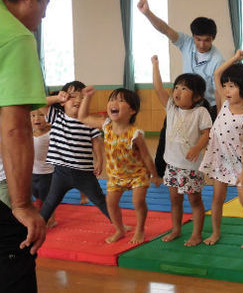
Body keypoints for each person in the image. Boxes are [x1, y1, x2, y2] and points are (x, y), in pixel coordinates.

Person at [0, 0, 51, 291]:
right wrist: (21, 205)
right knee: (17, 251)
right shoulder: (16, 36)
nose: (44, 14)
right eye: (46, 3)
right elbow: (15, 125)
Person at [137, 0, 224, 179]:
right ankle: (160, 172)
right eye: (198, 39)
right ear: (193, 37)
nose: (201, 44)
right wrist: (147, 13)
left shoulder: (217, 59)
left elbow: (218, 91)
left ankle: (220, 174)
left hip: (205, 105)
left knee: (214, 139)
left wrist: (221, 115)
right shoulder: (186, 43)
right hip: (184, 101)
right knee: (167, 131)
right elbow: (165, 29)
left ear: (213, 39)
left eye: (207, 41)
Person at [78, 86, 161, 244]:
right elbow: (82, 117)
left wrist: (154, 175)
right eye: (112, 99)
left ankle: (140, 229)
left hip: (137, 174)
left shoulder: (135, 134)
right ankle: (119, 229)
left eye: (121, 100)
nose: (114, 103)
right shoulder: (106, 126)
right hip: (116, 176)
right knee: (110, 203)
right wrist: (87, 97)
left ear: (132, 111)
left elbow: (146, 156)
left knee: (138, 202)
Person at [199, 49, 243, 249]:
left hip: (239, 163)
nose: (226, 90)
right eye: (225, 86)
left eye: (231, 86)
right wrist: (235, 58)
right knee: (217, 198)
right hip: (220, 159)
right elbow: (217, 74)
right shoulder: (224, 104)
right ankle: (215, 232)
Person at [152, 55, 212, 246]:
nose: (178, 91)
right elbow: (158, 88)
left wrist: (197, 147)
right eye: (176, 87)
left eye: (184, 89)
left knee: (195, 201)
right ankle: (176, 229)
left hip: (191, 167)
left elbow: (206, 134)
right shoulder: (171, 108)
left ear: (197, 96)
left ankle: (197, 234)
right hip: (172, 165)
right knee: (174, 200)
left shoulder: (200, 112)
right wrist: (155, 65)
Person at [39, 81, 109, 224]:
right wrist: (57, 98)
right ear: (64, 102)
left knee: (100, 200)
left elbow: (96, 142)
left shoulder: (88, 121)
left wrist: (100, 161)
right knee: (50, 202)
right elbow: (41, 104)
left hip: (84, 173)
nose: (78, 100)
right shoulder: (57, 116)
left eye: (82, 97)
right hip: (61, 172)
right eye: (73, 97)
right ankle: (38, 226)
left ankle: (118, 223)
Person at [30, 109, 57, 228]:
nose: (37, 118)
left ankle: (51, 219)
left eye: (41, 115)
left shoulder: (51, 133)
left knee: (47, 196)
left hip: (47, 172)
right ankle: (42, 214)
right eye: (33, 115)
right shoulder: (28, 132)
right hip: (32, 171)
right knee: (36, 193)